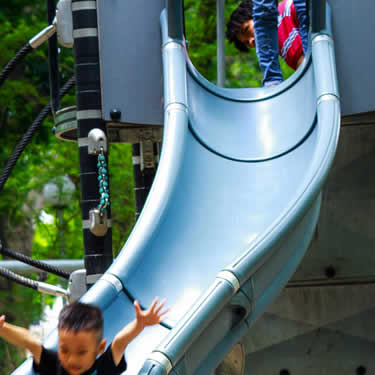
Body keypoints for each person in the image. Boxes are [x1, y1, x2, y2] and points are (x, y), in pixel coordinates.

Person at [0, 297, 168, 375]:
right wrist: (3, 328)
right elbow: (30, 343)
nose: (72, 359)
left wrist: (139, 324)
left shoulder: (104, 368)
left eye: (81, 352)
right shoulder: (55, 366)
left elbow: (120, 342)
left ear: (100, 348)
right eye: (64, 350)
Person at [227, 0, 308, 86]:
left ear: (256, 16)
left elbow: (307, 70)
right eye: (247, 43)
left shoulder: (280, 25)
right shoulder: (286, 7)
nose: (251, 41)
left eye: (246, 30)